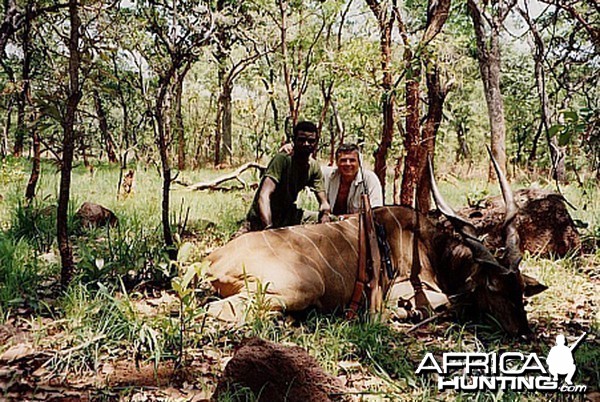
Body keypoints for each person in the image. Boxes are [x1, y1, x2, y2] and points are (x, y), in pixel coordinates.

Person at [237, 121, 331, 235]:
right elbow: (264, 196)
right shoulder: (282, 160)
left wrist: (325, 215)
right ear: (294, 140)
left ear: (316, 143)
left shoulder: (314, 166)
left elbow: (324, 202)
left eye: (311, 141)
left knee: (334, 222)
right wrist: (268, 227)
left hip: (289, 215)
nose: (306, 144)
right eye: (301, 139)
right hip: (263, 218)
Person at [323, 143, 383, 215]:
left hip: (358, 224)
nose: (348, 164)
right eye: (343, 160)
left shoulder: (370, 179)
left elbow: (376, 211)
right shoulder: (328, 175)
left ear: (359, 162)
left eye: (352, 160)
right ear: (337, 162)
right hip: (330, 222)